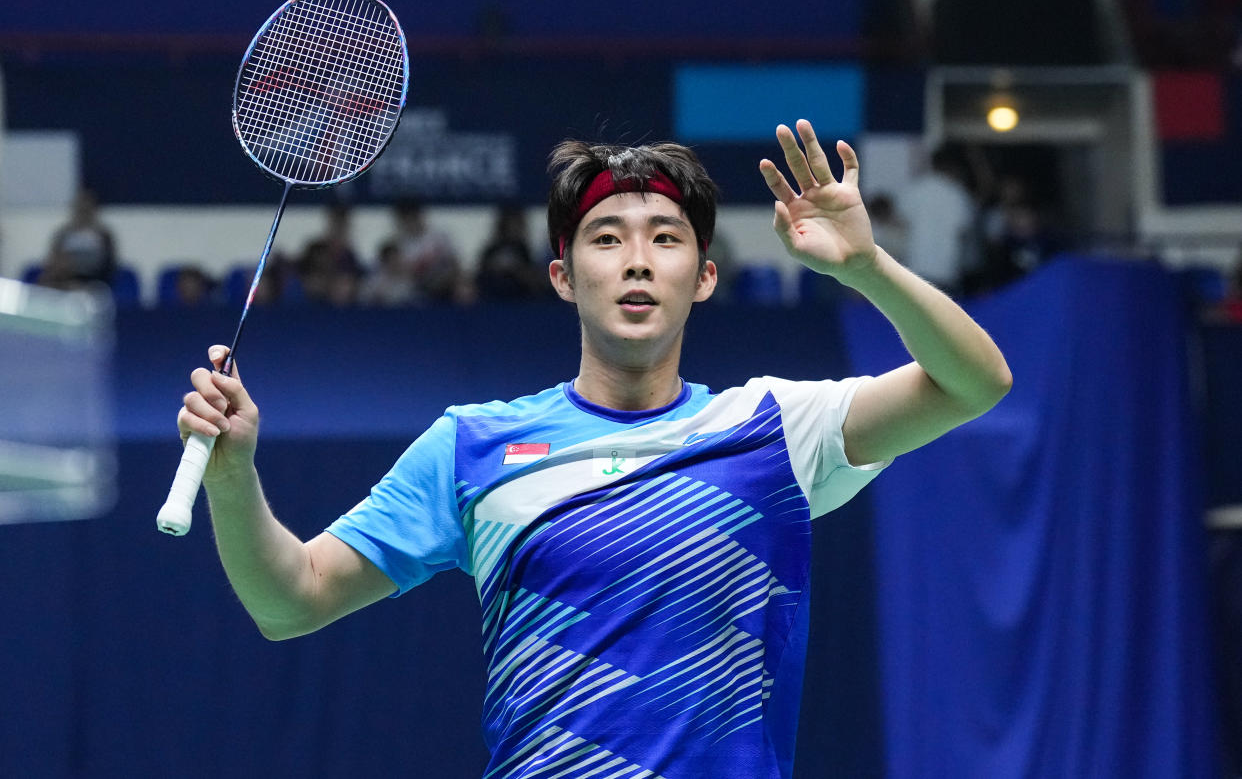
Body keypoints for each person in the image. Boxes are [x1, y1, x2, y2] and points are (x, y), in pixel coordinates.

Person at [177, 120, 1012, 778]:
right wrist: (232, 475)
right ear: (564, 277)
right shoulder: (471, 447)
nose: (638, 261)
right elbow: (291, 602)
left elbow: (974, 382)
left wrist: (865, 268)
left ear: (706, 276)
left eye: (667, 238)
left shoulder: (771, 429)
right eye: (607, 239)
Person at [894, 144, 976, 294]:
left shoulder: (914, 190)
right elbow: (963, 231)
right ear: (955, 167)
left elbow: (899, 224)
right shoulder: (959, 195)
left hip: (916, 268)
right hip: (947, 270)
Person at [473, 203, 547, 301]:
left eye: (517, 224)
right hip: (491, 300)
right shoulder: (492, 250)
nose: (514, 228)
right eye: (511, 224)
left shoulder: (523, 250)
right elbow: (479, 277)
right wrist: (496, 268)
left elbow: (533, 279)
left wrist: (517, 270)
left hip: (520, 300)